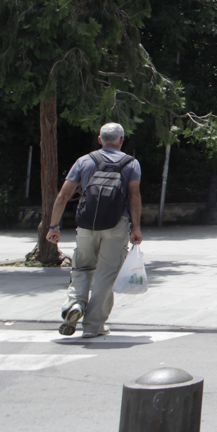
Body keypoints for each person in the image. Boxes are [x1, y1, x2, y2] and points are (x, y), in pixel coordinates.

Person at [46, 122, 143, 338]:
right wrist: (135, 228)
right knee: (106, 274)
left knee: (81, 268)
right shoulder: (131, 164)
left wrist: (53, 226)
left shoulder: (84, 161)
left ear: (100, 140)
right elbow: (134, 197)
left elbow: (63, 196)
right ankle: (93, 326)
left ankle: (75, 304)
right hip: (117, 225)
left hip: (86, 225)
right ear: (121, 140)